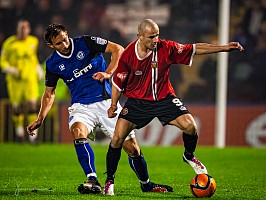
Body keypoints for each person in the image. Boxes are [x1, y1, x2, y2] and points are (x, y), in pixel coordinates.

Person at [26, 23, 173, 195]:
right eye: (59, 43)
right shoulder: (52, 64)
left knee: (132, 148)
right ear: (51, 45)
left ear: (67, 34)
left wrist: (108, 73)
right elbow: (49, 94)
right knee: (78, 132)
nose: (64, 45)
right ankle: (92, 180)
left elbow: (118, 49)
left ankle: (146, 184)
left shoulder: (86, 42)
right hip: (81, 106)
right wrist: (40, 118)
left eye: (65, 40)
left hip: (106, 103)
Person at [104, 19, 244, 194]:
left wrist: (223, 48)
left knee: (191, 126)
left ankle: (189, 156)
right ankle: (109, 181)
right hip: (138, 102)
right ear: (139, 36)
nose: (156, 40)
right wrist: (113, 105)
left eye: (157, 35)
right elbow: (118, 83)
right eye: (151, 37)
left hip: (164, 99)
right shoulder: (128, 55)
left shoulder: (166, 48)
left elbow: (194, 48)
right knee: (117, 138)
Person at [0, 19, 44, 143]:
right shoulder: (9, 43)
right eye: (21, 28)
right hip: (15, 81)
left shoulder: (33, 41)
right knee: (17, 107)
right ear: (17, 30)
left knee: (32, 105)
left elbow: (32, 57)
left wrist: (37, 68)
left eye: (25, 28)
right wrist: (9, 68)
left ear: (29, 30)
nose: (23, 31)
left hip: (30, 79)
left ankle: (33, 136)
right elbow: (3, 60)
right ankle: (19, 133)